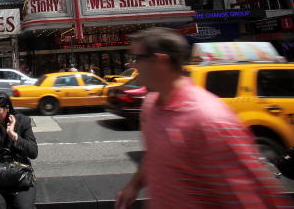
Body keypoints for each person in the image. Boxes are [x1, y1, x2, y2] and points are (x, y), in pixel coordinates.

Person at [115, 27, 291, 209]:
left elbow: (248, 198)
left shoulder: (209, 119)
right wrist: (133, 186)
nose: (132, 65)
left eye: (137, 58)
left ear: (161, 61)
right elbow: (153, 155)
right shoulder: (152, 105)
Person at [0, 93, 38, 209]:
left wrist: (13, 135)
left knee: (25, 206)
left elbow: (34, 152)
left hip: (21, 176)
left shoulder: (23, 121)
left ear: (7, 109)